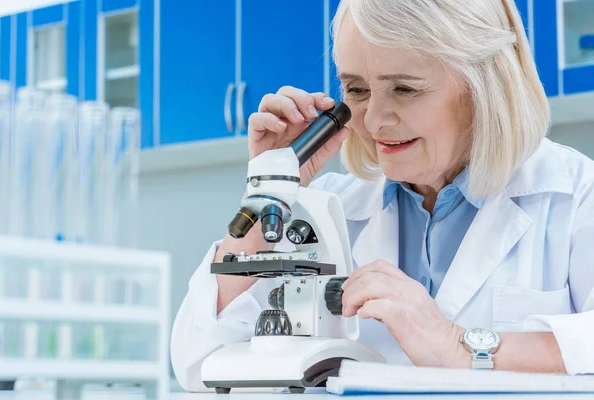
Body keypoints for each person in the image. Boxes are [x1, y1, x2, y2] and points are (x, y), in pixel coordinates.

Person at [171, 0, 594, 391]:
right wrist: (269, 191)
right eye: (356, 91)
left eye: (405, 89)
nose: (373, 119)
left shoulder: (574, 197)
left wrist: (455, 345)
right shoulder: (323, 212)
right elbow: (198, 364)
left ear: (483, 87)